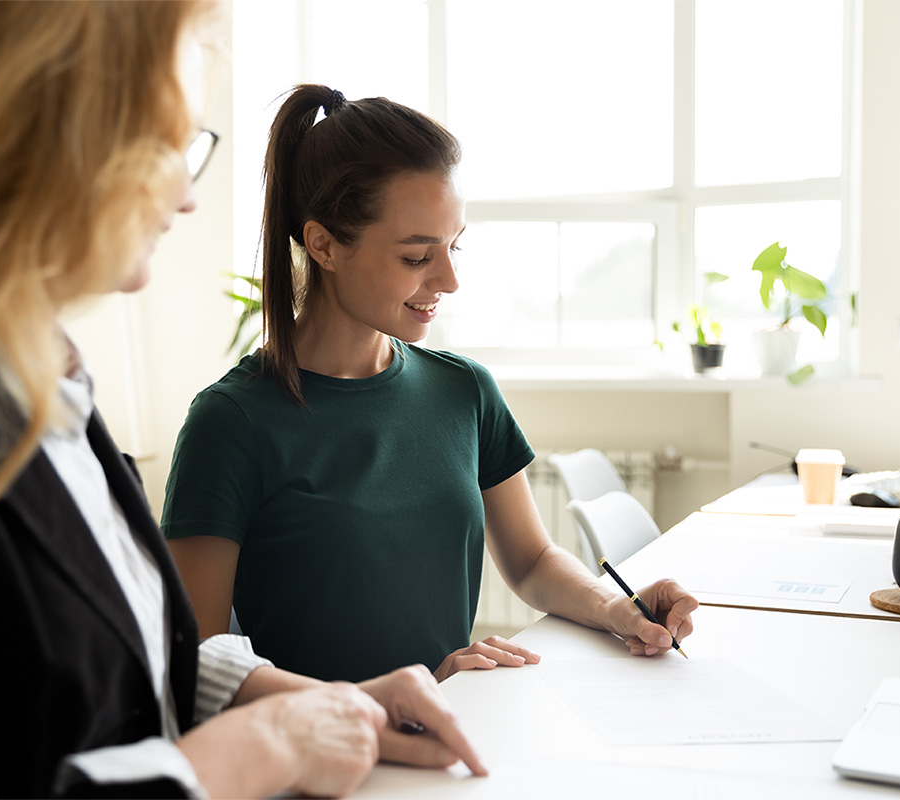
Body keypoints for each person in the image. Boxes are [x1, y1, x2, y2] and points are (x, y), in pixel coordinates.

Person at [0, 6, 486, 798]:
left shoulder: (44, 379)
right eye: (164, 145)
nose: (186, 197)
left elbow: (127, 649)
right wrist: (258, 747)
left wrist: (329, 706)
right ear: (33, 137)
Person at [161, 84, 699, 685]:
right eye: (417, 257)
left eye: (454, 246)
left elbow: (531, 560)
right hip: (324, 763)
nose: (449, 279)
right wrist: (390, 700)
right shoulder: (231, 423)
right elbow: (198, 667)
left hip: (447, 738)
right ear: (324, 245)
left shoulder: (464, 390)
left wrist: (614, 607)